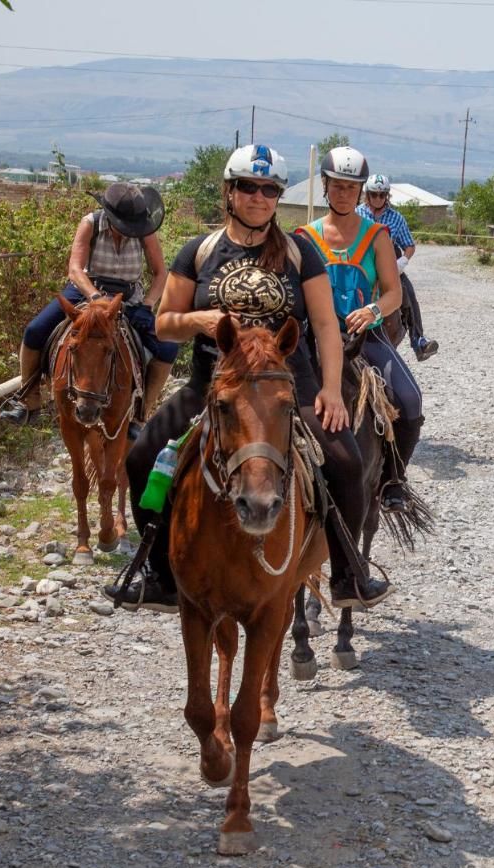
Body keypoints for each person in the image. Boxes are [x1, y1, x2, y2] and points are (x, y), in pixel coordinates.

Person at [105, 144, 392, 613]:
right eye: (247, 187)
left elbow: (323, 325)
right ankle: (158, 575)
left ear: (278, 197)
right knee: (140, 458)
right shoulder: (198, 252)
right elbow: (163, 323)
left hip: (288, 385)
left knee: (345, 461)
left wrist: (329, 388)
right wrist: (201, 320)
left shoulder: (301, 254)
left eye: (268, 189)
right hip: (213, 386)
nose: (258, 197)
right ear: (229, 192)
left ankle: (346, 574)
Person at [297, 147, 424, 514]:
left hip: (364, 339)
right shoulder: (304, 237)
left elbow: (393, 292)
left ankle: (392, 480)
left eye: (350, 187)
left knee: (410, 399)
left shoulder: (377, 236)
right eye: (336, 185)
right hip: (312, 340)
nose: (342, 193)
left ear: (360, 191)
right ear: (324, 186)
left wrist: (372, 311)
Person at [0, 182, 178, 435]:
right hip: (86, 289)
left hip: (129, 297)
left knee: (168, 348)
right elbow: (75, 268)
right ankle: (28, 397)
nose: (129, 230)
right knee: (35, 330)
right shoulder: (90, 224)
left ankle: (141, 412)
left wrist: (148, 304)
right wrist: (93, 296)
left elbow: (161, 273)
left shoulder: (144, 229)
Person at [357, 173, 439, 361]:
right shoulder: (357, 214)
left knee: (408, 293)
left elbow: (409, 245)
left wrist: (401, 262)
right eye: (374, 194)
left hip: (389, 268)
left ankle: (418, 340)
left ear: (387, 196)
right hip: (361, 266)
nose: (378, 198)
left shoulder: (396, 218)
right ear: (367, 195)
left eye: (382, 195)